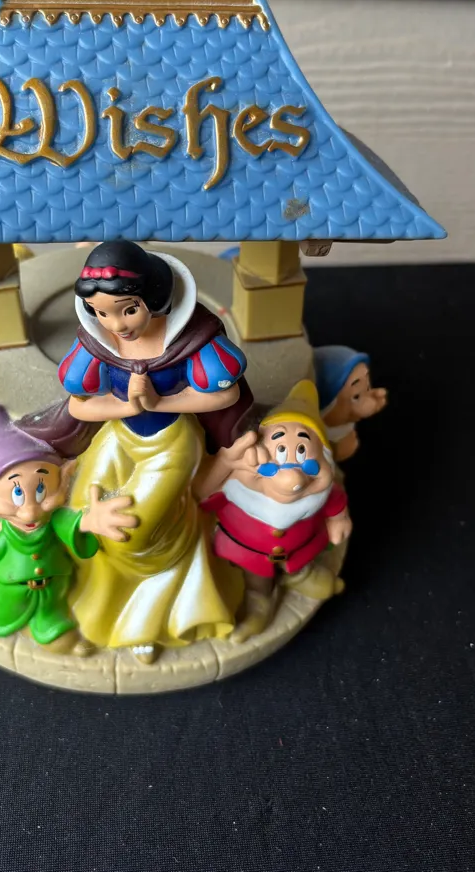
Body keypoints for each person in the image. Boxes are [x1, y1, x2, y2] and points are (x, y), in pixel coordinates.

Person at [55, 241, 253, 663]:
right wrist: (128, 407)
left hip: (170, 443)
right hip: (118, 436)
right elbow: (78, 406)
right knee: (87, 507)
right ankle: (101, 607)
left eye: (128, 310)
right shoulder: (99, 344)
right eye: (102, 313)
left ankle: (146, 621)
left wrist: (161, 403)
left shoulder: (188, 338)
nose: (117, 325)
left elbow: (225, 394)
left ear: (155, 298)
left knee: (133, 531)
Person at [0, 405, 137, 656]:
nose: (30, 513)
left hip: (52, 589)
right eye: (16, 494)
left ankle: (54, 632)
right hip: (12, 589)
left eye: (41, 491)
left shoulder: (54, 520)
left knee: (52, 620)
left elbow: (71, 523)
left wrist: (90, 521)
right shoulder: (6, 533)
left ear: (65, 477)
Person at [197, 380, 352, 643]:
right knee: (257, 579)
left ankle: (300, 575)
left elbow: (335, 499)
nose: (293, 475)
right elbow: (201, 497)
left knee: (301, 562)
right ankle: (259, 601)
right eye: (280, 450)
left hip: (302, 544)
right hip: (250, 552)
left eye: (302, 451)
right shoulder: (234, 487)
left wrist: (339, 518)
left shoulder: (320, 492)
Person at [313, 346, 388, 461]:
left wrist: (371, 399)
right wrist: (335, 451)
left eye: (367, 387)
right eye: (356, 396)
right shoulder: (312, 432)